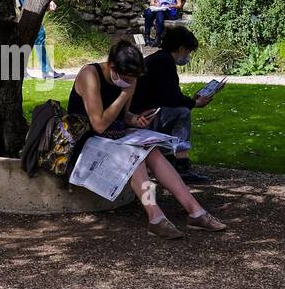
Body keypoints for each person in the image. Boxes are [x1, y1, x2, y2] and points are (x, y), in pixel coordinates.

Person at [64, 40, 226, 239]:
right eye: (126, 78)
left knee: (153, 151)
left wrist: (135, 119)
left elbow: (123, 116)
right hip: (86, 139)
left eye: (133, 78)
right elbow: (98, 124)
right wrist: (125, 94)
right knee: (136, 158)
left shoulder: (128, 78)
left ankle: (195, 211)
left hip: (113, 137)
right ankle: (155, 216)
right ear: (113, 67)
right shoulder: (90, 75)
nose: (130, 82)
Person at [129, 25, 214, 184]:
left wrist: (190, 100)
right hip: (141, 118)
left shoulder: (159, 59)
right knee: (182, 113)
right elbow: (171, 98)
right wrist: (194, 103)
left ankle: (168, 162)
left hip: (140, 114)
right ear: (181, 48)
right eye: (188, 51)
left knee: (178, 110)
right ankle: (181, 166)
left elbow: (167, 95)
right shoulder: (165, 61)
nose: (188, 56)